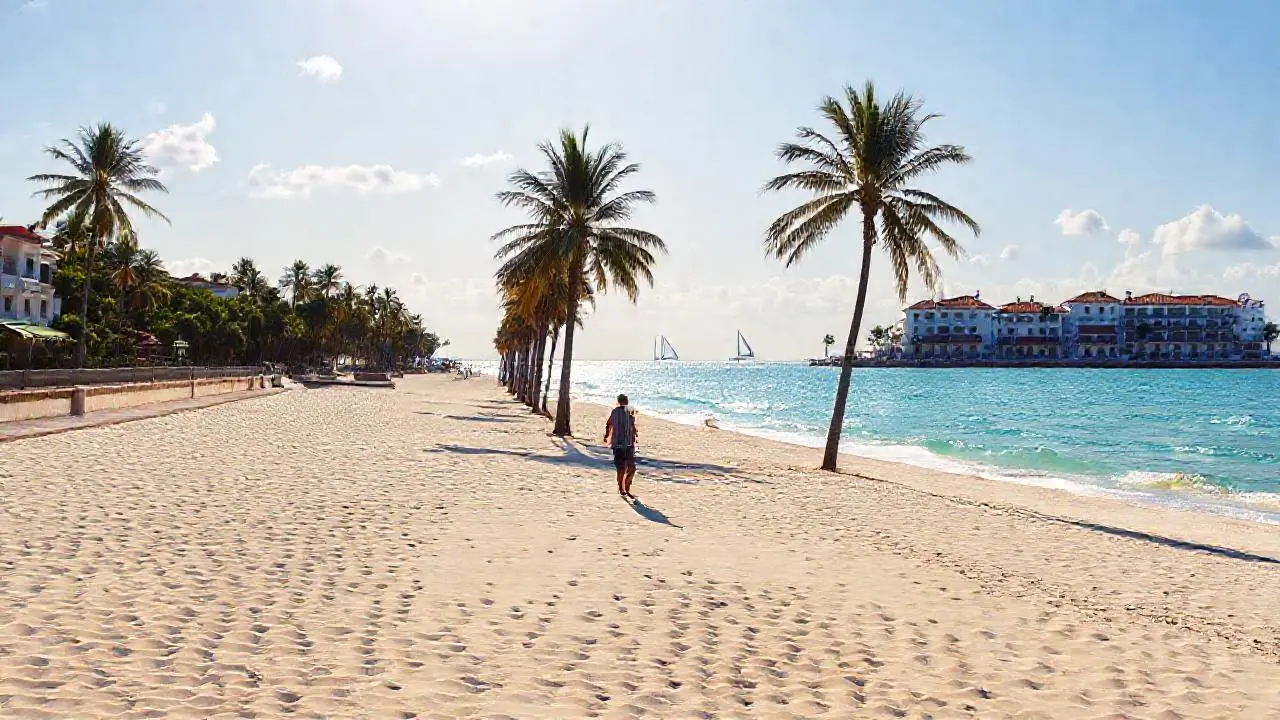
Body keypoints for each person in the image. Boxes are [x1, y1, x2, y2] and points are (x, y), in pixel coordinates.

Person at [604, 394, 638, 499]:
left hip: (627, 444)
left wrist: (634, 435)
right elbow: (609, 424)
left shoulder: (630, 411)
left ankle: (626, 488)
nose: (624, 403)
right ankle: (622, 489)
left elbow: (632, 425)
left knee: (630, 468)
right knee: (623, 468)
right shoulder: (615, 412)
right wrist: (606, 435)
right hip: (619, 443)